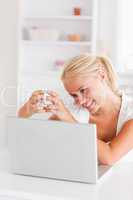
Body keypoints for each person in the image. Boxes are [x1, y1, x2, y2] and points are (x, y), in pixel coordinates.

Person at [18, 53, 133, 165]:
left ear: (102, 75)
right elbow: (38, 144)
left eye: (83, 90)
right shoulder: (74, 110)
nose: (80, 101)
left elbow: (110, 157)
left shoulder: (129, 113)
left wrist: (69, 120)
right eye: (74, 95)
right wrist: (25, 112)